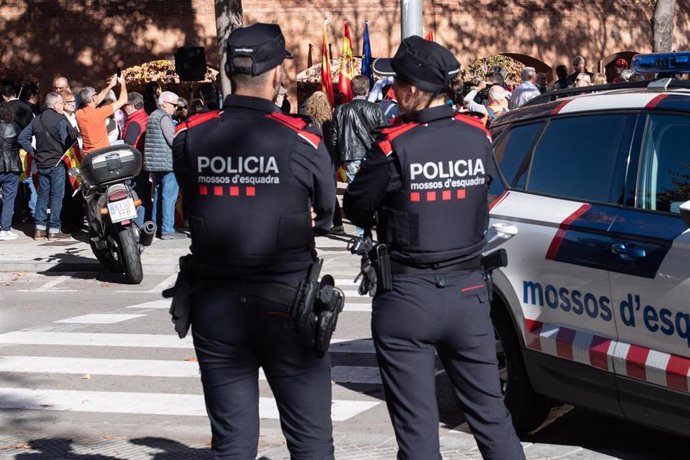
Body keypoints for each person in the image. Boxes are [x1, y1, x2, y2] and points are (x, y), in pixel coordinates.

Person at [343, 36, 525, 460]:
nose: (392, 92)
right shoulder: (477, 135)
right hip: (469, 293)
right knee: (491, 416)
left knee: (417, 428)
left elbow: (355, 207)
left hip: (407, 296)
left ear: (411, 90)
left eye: (396, 84)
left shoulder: (393, 145)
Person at [171, 23, 336, 459]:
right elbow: (328, 212)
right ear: (278, 73)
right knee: (311, 439)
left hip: (215, 304)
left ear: (228, 69)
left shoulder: (190, 134)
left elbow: (189, 198)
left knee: (232, 442)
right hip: (288, 305)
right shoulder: (302, 137)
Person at [18, 92, 78, 240]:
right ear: (54, 104)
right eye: (60, 103)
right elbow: (67, 141)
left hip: (42, 163)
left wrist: (34, 153)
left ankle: (39, 230)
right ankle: (54, 230)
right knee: (57, 197)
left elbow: (22, 138)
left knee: (43, 196)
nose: (61, 106)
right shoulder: (60, 119)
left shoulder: (37, 120)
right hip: (57, 163)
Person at [332, 74, 386, 235]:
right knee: (375, 192)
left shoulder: (341, 110)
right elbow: (384, 134)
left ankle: (362, 233)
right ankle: (369, 230)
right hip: (372, 156)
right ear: (366, 90)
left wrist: (337, 159)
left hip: (351, 156)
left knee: (358, 194)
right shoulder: (375, 109)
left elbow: (334, 138)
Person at [303, 90, 344, 235]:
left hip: (315, 157)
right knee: (330, 190)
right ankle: (338, 223)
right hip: (330, 160)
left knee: (313, 189)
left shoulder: (309, 121)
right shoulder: (331, 119)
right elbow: (335, 141)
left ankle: (316, 221)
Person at [144, 90, 184, 239]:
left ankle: (155, 227)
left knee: (158, 194)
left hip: (155, 163)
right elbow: (172, 140)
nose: (175, 108)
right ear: (165, 103)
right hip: (167, 163)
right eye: (174, 105)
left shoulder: (153, 115)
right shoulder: (164, 117)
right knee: (169, 196)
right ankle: (167, 229)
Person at [76, 74, 127, 154]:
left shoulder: (79, 114)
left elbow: (95, 101)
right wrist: (123, 83)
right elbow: (123, 100)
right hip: (101, 155)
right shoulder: (100, 113)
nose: (97, 96)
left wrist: (110, 86)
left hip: (88, 156)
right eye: (96, 94)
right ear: (93, 98)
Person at [122, 92, 150, 227]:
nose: (123, 108)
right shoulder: (144, 116)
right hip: (143, 161)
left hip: (134, 163)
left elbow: (129, 143)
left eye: (125, 105)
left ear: (132, 106)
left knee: (135, 194)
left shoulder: (134, 122)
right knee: (143, 194)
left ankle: (136, 225)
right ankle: (143, 222)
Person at [0, 100, 21, 240]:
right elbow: (21, 142)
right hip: (11, 165)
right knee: (9, 198)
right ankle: (5, 228)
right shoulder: (14, 126)